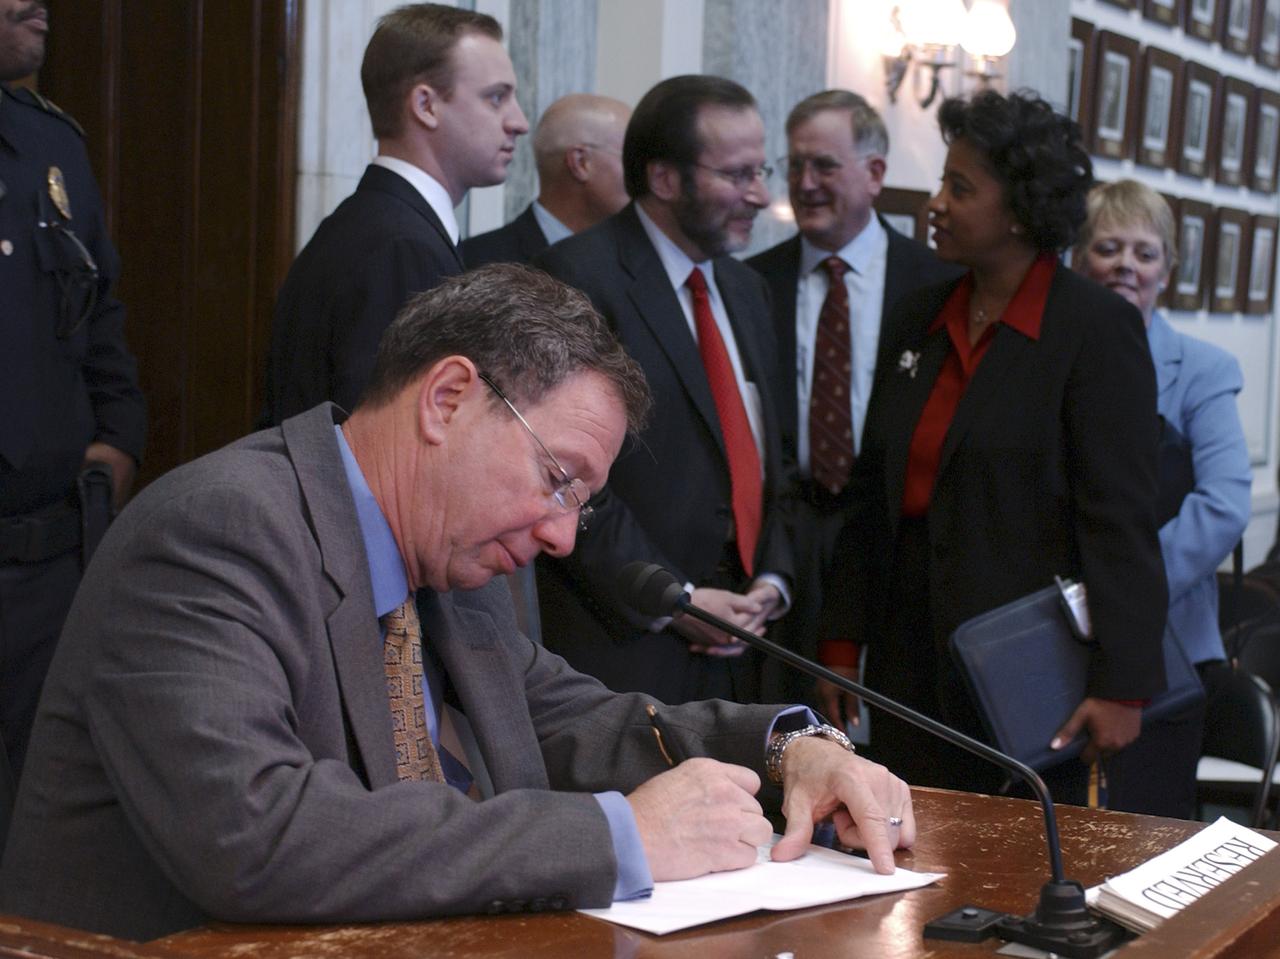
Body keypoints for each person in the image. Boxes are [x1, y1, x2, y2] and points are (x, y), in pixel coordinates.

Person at [0, 265, 913, 942]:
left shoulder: (450, 569)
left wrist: (791, 751)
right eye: (558, 479)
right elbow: (255, 832)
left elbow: (584, 723)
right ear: (447, 398)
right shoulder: (217, 531)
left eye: (582, 504)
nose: (564, 535)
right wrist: (618, 832)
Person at [829, 90, 1168, 799]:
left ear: (1018, 211)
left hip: (1028, 666)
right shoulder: (918, 314)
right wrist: (839, 643)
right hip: (907, 658)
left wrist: (1123, 684)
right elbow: (870, 495)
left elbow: (1120, 518)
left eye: (961, 187)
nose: (936, 202)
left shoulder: (1094, 329)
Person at [534, 75, 794, 705]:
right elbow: (560, 470)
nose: (760, 195)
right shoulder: (575, 278)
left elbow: (770, 453)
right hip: (628, 652)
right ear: (665, 180)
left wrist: (774, 582)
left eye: (762, 170)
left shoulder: (747, 289)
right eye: (736, 175)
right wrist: (671, 598)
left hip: (751, 649)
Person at [747, 90, 960, 709]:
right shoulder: (753, 282)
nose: (804, 183)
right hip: (782, 536)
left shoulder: (937, 285)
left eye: (824, 166)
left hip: (888, 536)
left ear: (874, 174)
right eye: (794, 166)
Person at [0, 0, 145, 783]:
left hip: (44, 568)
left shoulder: (50, 145)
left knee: (38, 829)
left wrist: (119, 436)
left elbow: (100, 315)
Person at [1074, 179, 1251, 819]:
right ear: (1076, 259)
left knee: (1145, 832)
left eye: (1145, 253)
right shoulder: (1052, 357)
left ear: (1167, 272)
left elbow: (1225, 503)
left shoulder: (1203, 368)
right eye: (1108, 247)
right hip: (1057, 642)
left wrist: (1124, 593)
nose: (1127, 265)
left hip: (1168, 646)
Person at [263, 3, 529, 424]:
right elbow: (389, 447)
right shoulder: (400, 248)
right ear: (426, 105)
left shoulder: (378, 224)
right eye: (496, 98)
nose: (519, 122)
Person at [461, 93, 630, 266]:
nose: (640, 175)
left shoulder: (634, 262)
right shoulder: (475, 264)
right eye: (631, 158)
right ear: (580, 163)